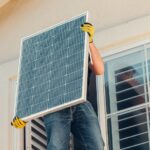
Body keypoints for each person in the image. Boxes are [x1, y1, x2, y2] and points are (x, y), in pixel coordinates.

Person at [11, 22, 105, 150]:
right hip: (55, 106)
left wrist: (90, 42)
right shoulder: (47, 67)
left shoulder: (79, 55)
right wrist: (24, 114)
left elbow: (99, 70)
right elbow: (32, 88)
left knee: (96, 145)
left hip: (81, 103)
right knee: (56, 146)